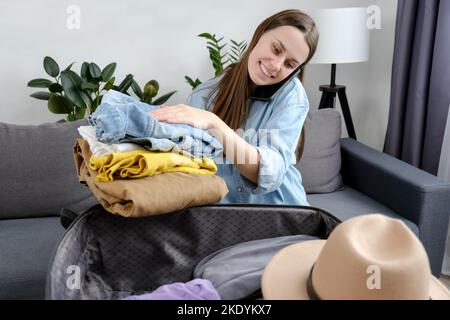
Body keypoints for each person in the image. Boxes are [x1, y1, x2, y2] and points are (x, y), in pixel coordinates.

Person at [150, 9, 319, 206]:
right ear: (260, 34)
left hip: (282, 214)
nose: (276, 65)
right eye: (276, 49)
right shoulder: (206, 93)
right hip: (222, 219)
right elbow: (185, 164)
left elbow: (268, 174)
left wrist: (214, 124)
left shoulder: (292, 98)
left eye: (290, 64)